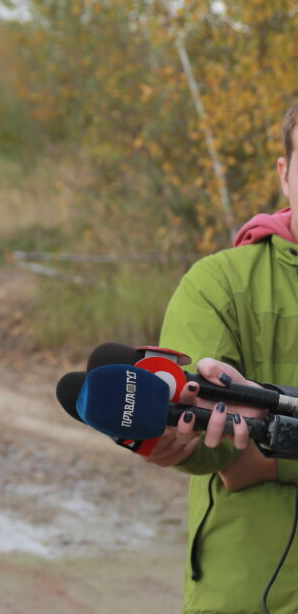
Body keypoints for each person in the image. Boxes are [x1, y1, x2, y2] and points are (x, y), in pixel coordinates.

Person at [144, 102, 298, 613]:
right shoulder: (217, 285)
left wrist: (272, 462)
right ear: (284, 174)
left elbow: (252, 464)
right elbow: (219, 455)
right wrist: (179, 443)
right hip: (246, 597)